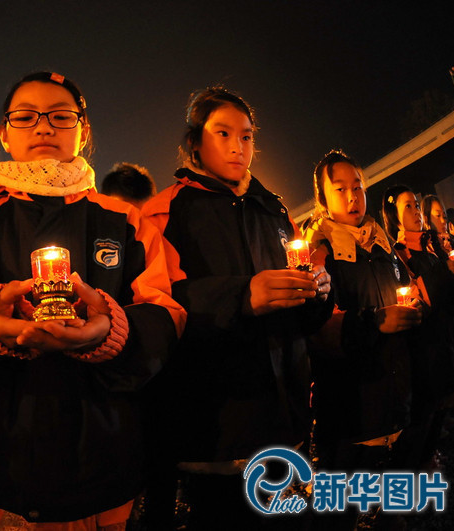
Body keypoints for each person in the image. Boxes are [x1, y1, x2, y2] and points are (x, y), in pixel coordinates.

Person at [0, 71, 185, 529]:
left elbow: (166, 316)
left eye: (61, 116)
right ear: (4, 134)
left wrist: (112, 330)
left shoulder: (127, 223)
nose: (44, 127)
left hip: (106, 467)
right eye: (26, 117)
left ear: (84, 131)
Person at [140, 86, 332, 529]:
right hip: (216, 424)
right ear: (194, 143)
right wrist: (243, 296)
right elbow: (157, 305)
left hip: (285, 419)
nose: (237, 146)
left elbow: (301, 316)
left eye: (246, 136)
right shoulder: (165, 211)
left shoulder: (273, 209)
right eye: (222, 133)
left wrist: (320, 293)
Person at [305, 150, 421, 530]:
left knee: (396, 511)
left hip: (396, 400)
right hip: (351, 412)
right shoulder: (318, 254)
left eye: (358, 187)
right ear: (323, 199)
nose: (353, 196)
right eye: (340, 189)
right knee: (340, 515)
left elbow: (401, 293)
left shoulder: (382, 246)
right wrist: (375, 323)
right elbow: (317, 332)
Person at [381, 185, 454, 474]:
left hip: (445, 340)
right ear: (395, 217)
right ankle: (402, 495)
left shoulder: (431, 246)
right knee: (421, 422)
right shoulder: (399, 254)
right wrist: (443, 276)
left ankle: (428, 463)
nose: (416, 211)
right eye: (408, 207)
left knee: (439, 413)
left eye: (416, 204)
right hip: (424, 350)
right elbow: (418, 296)